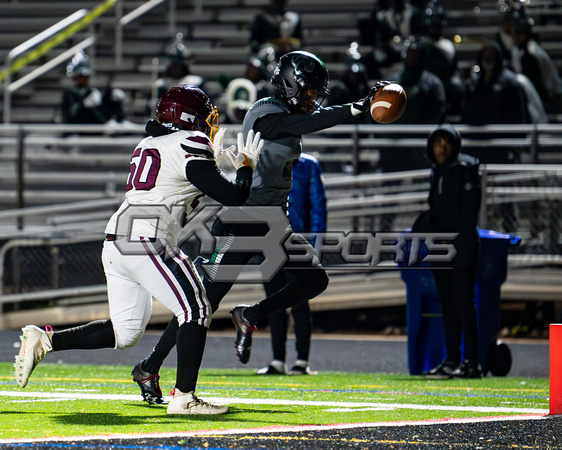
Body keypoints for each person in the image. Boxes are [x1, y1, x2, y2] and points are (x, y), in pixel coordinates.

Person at [129, 51, 391, 404]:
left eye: (316, 92)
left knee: (314, 280)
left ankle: (250, 314)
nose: (313, 98)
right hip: (246, 218)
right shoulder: (265, 113)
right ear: (289, 84)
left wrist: (359, 104)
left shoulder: (292, 113)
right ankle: (150, 366)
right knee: (202, 303)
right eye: (309, 90)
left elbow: (308, 120)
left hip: (274, 221)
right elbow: (292, 127)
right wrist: (357, 108)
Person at [14, 85, 264, 415]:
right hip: (148, 238)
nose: (209, 125)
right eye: (205, 118)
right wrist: (246, 165)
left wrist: (213, 165)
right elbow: (234, 198)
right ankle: (185, 397)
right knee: (197, 308)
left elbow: (183, 183)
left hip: (117, 239)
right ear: (191, 119)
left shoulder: (148, 143)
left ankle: (45, 340)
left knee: (126, 332)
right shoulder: (192, 141)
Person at [412, 124, 483, 379]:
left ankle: (471, 361)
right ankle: (452, 359)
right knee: (449, 305)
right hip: (441, 247)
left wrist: (460, 245)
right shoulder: (438, 172)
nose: (441, 148)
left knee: (464, 304)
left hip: (460, 245)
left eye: (446, 142)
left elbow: (466, 213)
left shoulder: (464, 169)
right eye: (437, 143)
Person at [257, 153, 327, 375]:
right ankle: (278, 360)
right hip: (269, 240)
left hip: (297, 240)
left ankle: (302, 361)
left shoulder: (308, 165)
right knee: (274, 301)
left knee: (300, 302)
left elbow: (317, 206)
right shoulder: (265, 160)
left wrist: (314, 242)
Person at [510, 8, 562, 114]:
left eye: (518, 33)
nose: (514, 36)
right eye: (514, 33)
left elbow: (539, 85)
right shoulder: (517, 50)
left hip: (549, 97)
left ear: (524, 35)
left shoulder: (531, 53)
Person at [59, 50, 126, 125]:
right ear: (75, 78)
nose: (83, 79)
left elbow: (101, 107)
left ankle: (118, 121)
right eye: (80, 77)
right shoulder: (70, 93)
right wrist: (82, 105)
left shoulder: (91, 91)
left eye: (85, 77)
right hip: (77, 127)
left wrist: (111, 97)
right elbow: (71, 112)